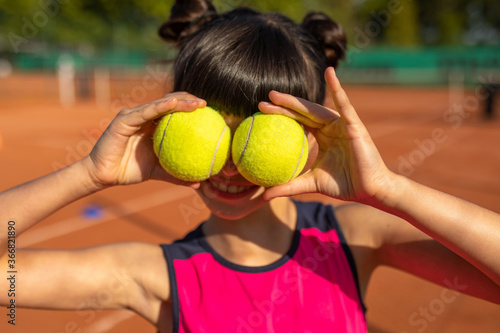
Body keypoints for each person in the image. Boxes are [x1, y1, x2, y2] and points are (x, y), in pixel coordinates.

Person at [1, 1, 500, 332]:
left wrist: (391, 191)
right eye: (218, 126)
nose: (233, 163)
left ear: (311, 136)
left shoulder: (354, 237)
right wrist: (87, 173)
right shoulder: (155, 274)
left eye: (258, 130)